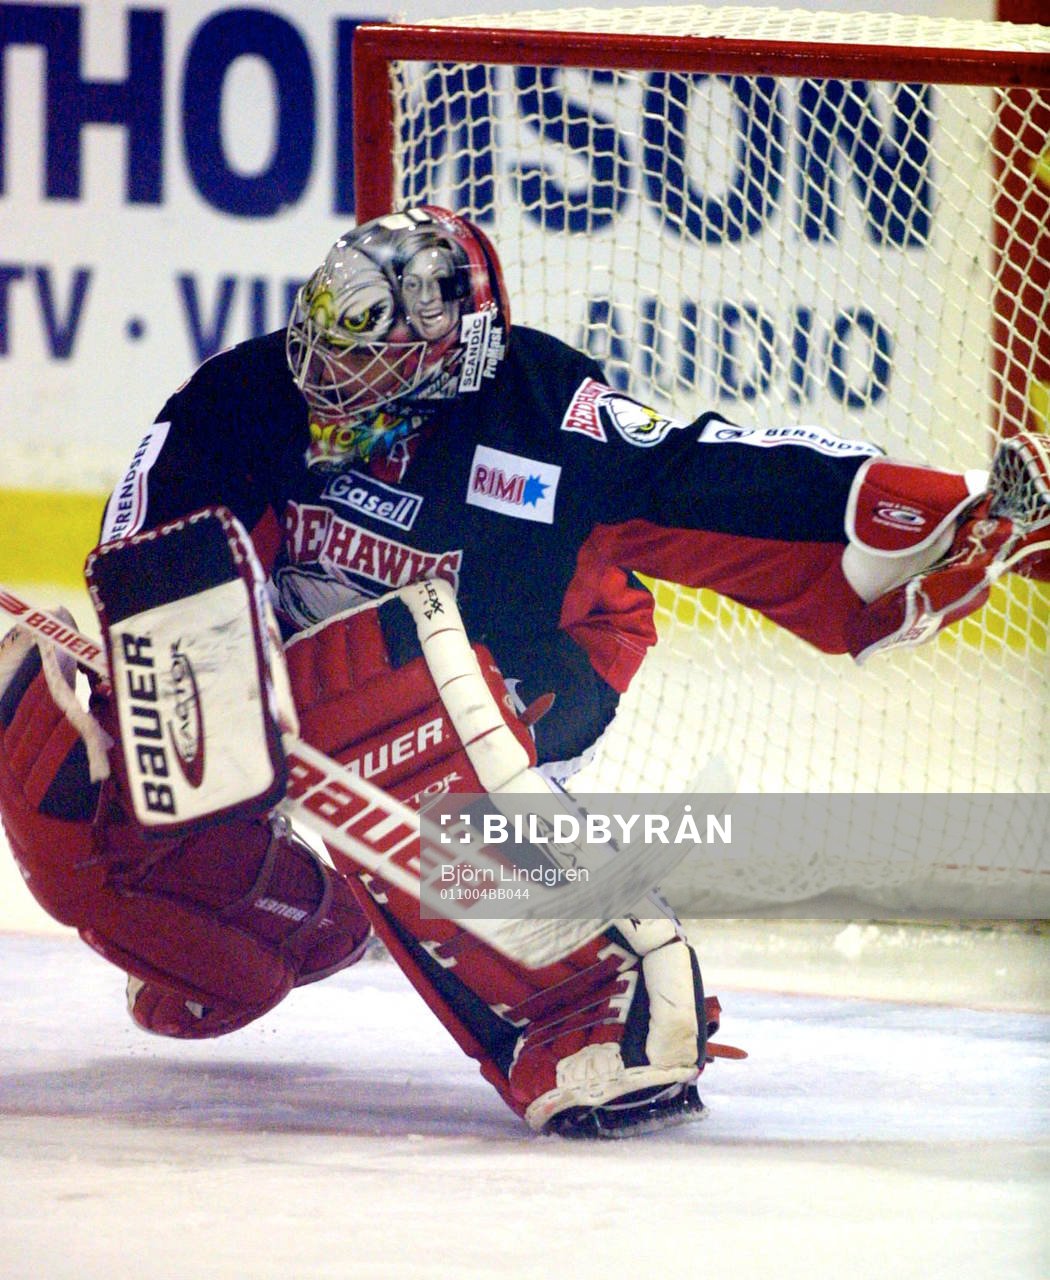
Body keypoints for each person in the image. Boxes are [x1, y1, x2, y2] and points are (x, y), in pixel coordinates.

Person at [1, 206, 1046, 1138]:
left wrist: (939, 508)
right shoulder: (249, 393)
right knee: (51, 750)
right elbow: (158, 557)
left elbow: (715, 470)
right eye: (327, 351)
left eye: (373, 360)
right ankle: (268, 921)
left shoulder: (542, 414)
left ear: (458, 348)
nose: (334, 382)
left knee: (376, 690)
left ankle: (596, 993)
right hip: (300, 665)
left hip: (536, 660)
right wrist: (186, 700)